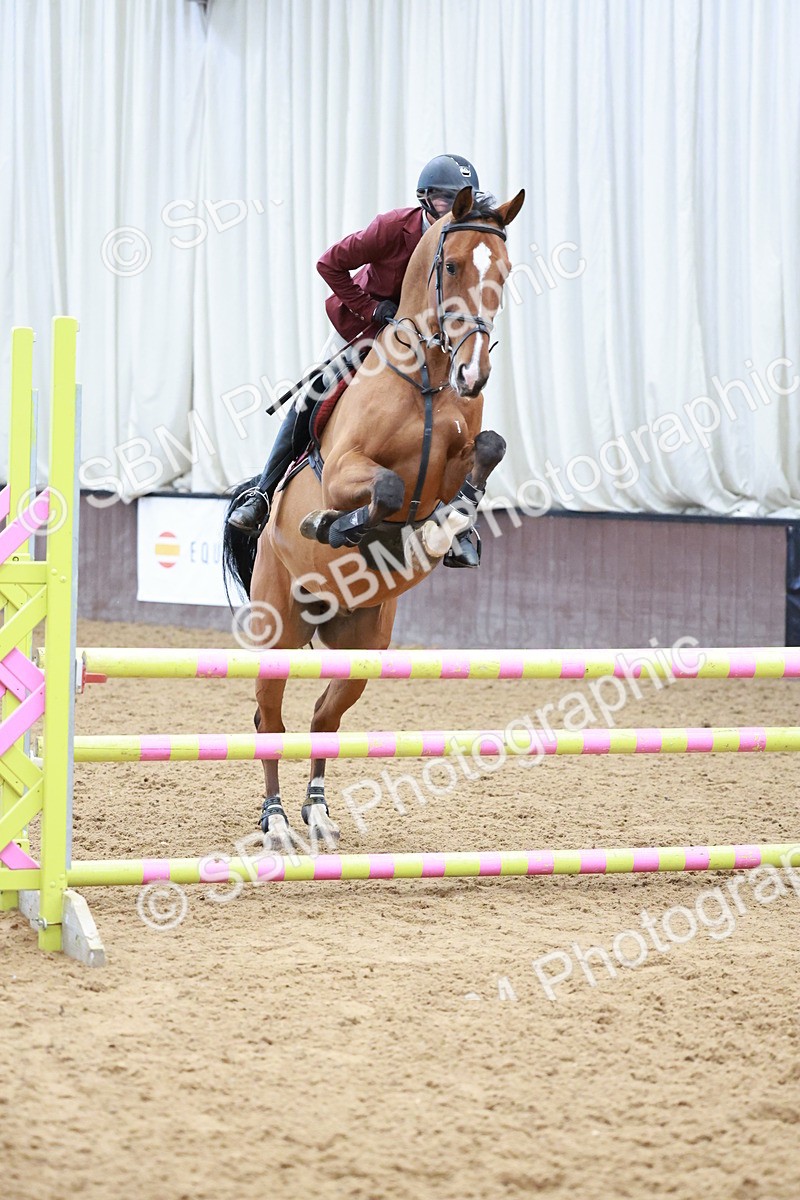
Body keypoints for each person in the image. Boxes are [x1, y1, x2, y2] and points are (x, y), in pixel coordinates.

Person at [227, 154, 484, 567]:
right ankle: (261, 493)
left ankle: (459, 521)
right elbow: (329, 264)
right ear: (424, 200)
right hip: (361, 330)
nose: (453, 211)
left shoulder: (459, 242)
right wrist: (372, 309)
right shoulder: (393, 228)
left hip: (420, 341)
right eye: (445, 202)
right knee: (314, 395)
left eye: (462, 202)